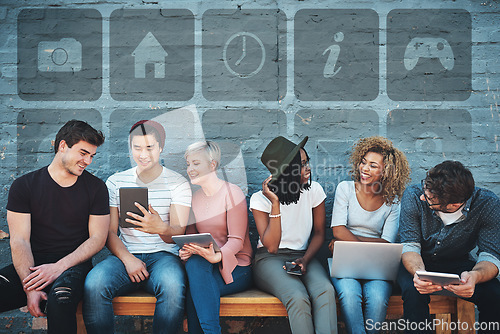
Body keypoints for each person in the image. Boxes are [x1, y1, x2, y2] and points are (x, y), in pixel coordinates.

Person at [0, 120, 109, 333]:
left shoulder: (96, 188)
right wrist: (29, 287)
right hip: (31, 267)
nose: (88, 161)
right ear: (62, 146)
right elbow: (19, 240)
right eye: (83, 153)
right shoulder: (24, 186)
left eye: (91, 156)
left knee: (61, 301)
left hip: (72, 267)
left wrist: (58, 267)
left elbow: (98, 239)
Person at [83, 120, 191, 334]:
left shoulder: (178, 183)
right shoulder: (115, 182)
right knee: (94, 284)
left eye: (150, 147)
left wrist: (161, 227)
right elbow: (110, 233)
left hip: (164, 257)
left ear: (160, 147)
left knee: (172, 287)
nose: (143, 154)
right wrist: (128, 259)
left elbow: (177, 234)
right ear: (130, 147)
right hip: (125, 255)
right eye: (137, 148)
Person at [398, 160, 500, 333]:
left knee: (495, 295)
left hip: (458, 263)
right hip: (418, 261)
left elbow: (490, 256)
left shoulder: (488, 204)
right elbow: (410, 246)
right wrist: (419, 274)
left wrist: (474, 277)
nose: (424, 197)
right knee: (413, 291)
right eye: (425, 189)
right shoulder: (414, 195)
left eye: (430, 199)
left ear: (454, 205)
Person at [250, 136, 337, 334]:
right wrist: (274, 203)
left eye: (307, 162)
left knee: (325, 290)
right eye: (302, 164)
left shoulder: (314, 190)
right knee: (297, 297)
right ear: (287, 170)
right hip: (270, 259)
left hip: (304, 255)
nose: (308, 168)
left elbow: (318, 233)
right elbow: (271, 246)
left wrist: (306, 259)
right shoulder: (259, 200)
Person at [329, 136, 411, 334]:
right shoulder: (345, 189)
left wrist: (347, 241)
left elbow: (387, 242)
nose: (364, 169)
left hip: (376, 264)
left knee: (377, 299)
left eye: (373, 165)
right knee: (349, 295)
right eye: (363, 162)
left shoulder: (393, 202)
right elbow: (337, 229)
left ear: (386, 171)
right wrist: (372, 244)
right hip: (345, 261)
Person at [180, 141, 253, 334]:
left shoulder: (232, 192)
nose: (190, 169)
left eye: (196, 163)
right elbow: (191, 236)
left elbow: (237, 241)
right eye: (188, 164)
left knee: (197, 290)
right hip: (205, 265)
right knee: (195, 267)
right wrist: (187, 250)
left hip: (237, 266)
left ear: (212, 165)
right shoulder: (194, 197)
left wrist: (217, 257)